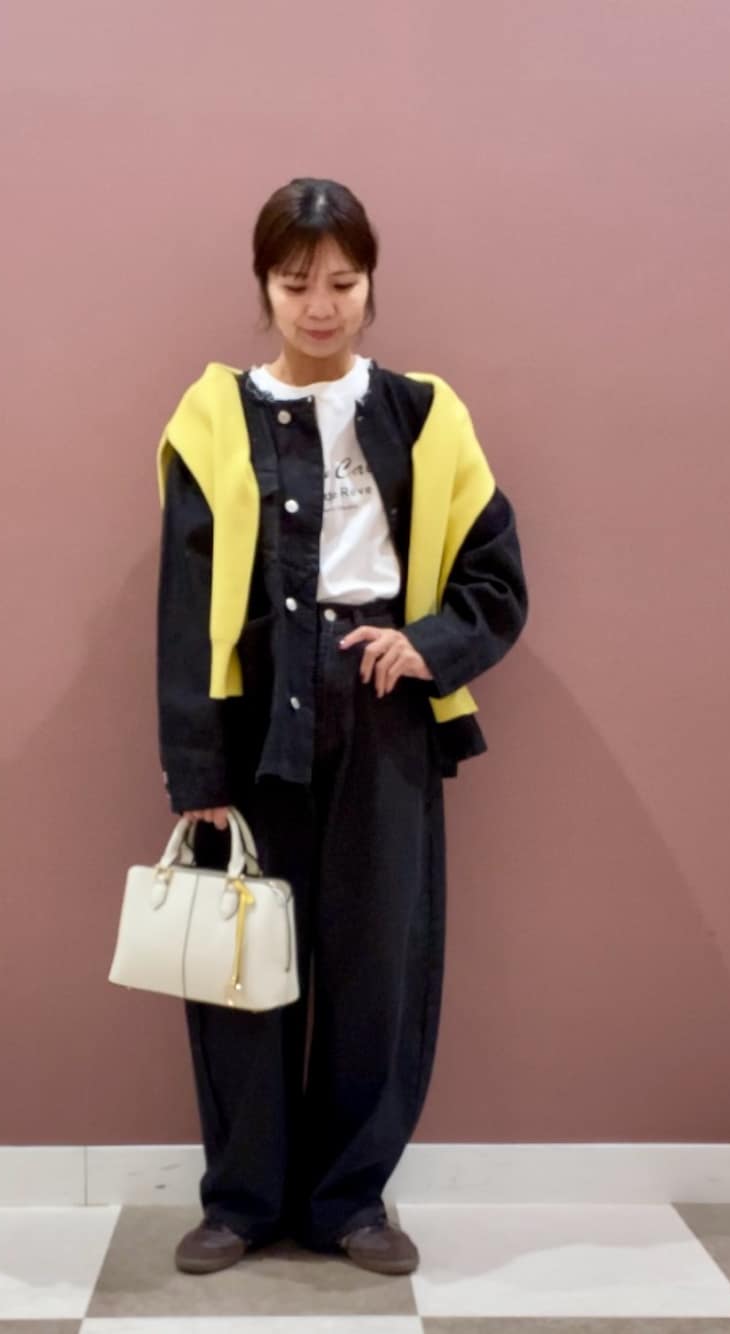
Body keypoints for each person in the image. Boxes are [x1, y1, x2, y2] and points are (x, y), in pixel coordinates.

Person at [154, 177, 529, 1276]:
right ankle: (242, 1200)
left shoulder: (425, 413)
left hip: (381, 717)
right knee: (242, 961)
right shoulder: (210, 418)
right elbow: (185, 607)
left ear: (370, 285)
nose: (320, 306)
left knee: (377, 966)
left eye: (342, 282)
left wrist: (428, 645)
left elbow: (496, 576)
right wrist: (196, 768)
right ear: (264, 288)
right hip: (256, 710)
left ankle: (351, 1199)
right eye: (295, 283)